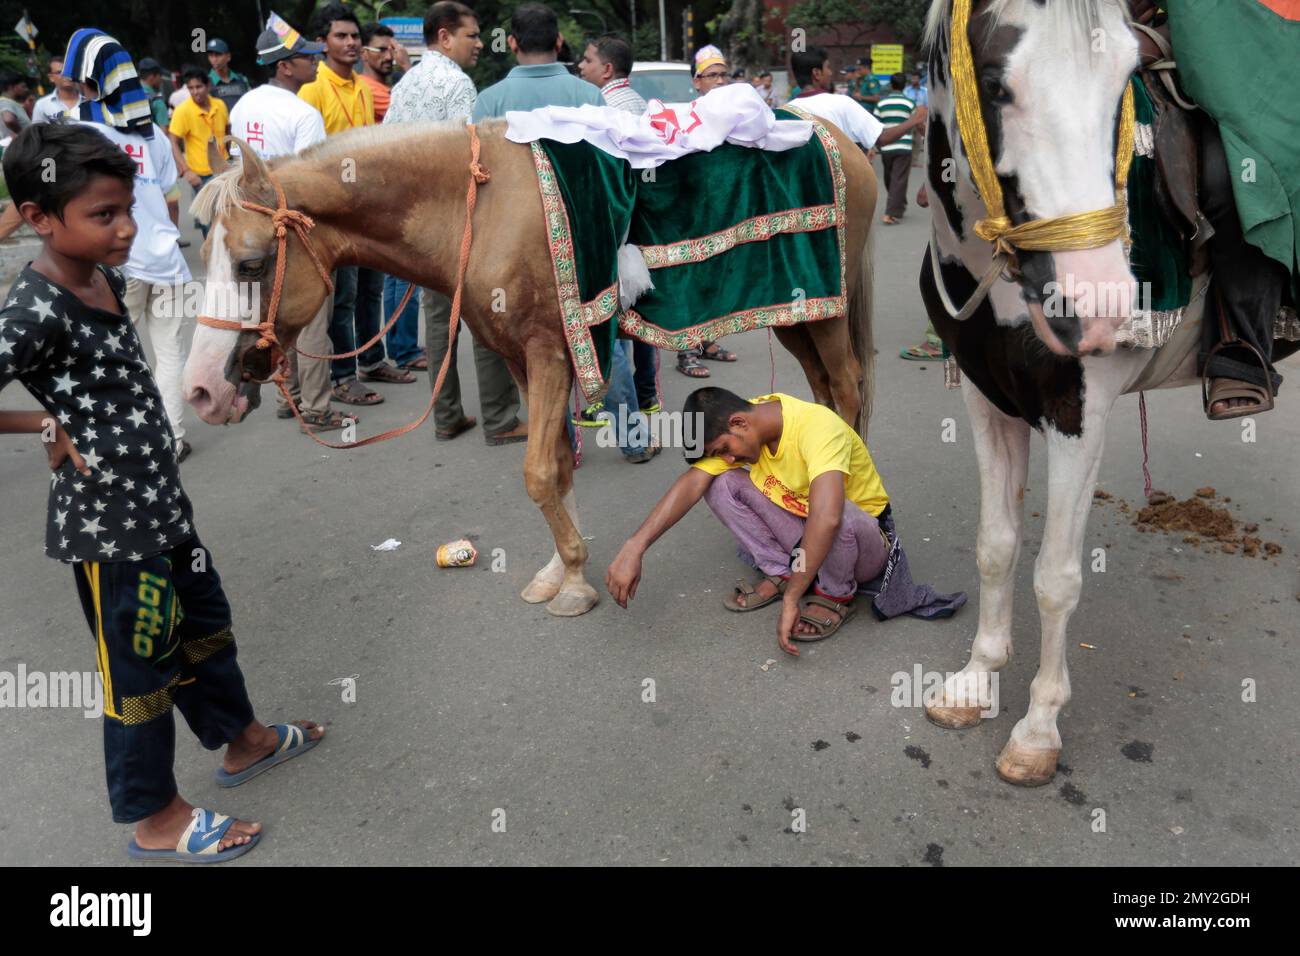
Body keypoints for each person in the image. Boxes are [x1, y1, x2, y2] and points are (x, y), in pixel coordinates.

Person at [0, 121, 324, 862]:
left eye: (128, 210)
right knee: (139, 670)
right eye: (104, 215)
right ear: (39, 219)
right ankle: (157, 818)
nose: (127, 230)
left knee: (205, 624)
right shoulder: (33, 309)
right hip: (111, 532)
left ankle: (242, 742)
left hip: (160, 507)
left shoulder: (103, 279)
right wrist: (40, 421)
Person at [605, 389, 893, 655]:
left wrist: (793, 599)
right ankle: (784, 572)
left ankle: (835, 594)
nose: (729, 458)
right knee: (721, 483)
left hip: (859, 544)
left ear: (739, 423)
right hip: (805, 526)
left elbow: (827, 517)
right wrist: (635, 546)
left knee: (835, 510)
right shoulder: (748, 423)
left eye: (724, 449)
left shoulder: (818, 427)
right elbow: (692, 483)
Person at [386, 1, 534, 444]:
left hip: (420, 227)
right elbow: (472, 161)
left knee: (438, 323)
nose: (478, 44)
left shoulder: (405, 83)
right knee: (488, 317)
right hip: (459, 223)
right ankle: (501, 420)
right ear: (445, 36)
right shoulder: (457, 84)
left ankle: (446, 416)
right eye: (471, 35)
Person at [470, 2, 611, 444]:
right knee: (599, 328)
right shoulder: (588, 96)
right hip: (582, 239)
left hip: (511, 248)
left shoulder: (488, 102)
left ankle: (558, 441)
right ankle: (628, 433)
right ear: (558, 42)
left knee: (531, 342)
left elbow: (478, 181)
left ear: (511, 43)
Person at [64, 28, 195, 462]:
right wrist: (166, 240)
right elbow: (170, 198)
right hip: (166, 259)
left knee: (115, 356)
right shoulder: (154, 134)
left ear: (91, 80)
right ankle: (173, 437)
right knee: (170, 352)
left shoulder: (78, 130)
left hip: (116, 264)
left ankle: (126, 440)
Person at [231, 15, 351, 434]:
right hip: (298, 229)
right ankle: (316, 408)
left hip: (254, 229)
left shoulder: (242, 105)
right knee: (313, 319)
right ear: (285, 65)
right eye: (307, 57)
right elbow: (316, 186)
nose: (316, 63)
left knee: (277, 317)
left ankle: (292, 397)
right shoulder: (303, 113)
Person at [300, 1, 415, 407]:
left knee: (371, 289)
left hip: (368, 209)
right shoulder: (311, 91)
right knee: (343, 297)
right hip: (335, 217)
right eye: (341, 36)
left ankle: (371, 360)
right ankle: (342, 375)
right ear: (321, 43)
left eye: (354, 37)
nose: (350, 43)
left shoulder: (363, 89)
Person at [573, 33, 661, 464]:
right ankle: (642, 411)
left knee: (608, 334)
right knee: (630, 329)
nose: (581, 67)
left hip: (611, 239)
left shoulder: (606, 112)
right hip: (635, 239)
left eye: (587, 61)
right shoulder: (638, 106)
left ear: (607, 69)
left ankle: (632, 435)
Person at [674, 45, 740, 379]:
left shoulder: (736, 113)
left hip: (721, 209)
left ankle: (707, 342)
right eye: (711, 75)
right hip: (691, 211)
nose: (719, 80)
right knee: (691, 279)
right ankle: (686, 351)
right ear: (696, 82)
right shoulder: (688, 116)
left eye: (723, 74)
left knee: (715, 278)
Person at [788, 47, 927, 154]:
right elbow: (882, 138)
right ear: (816, 74)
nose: (830, 73)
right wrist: (914, 120)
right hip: (837, 189)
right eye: (828, 67)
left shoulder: (785, 111)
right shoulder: (841, 103)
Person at [167, 67, 227, 239]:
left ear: (208, 86)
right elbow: (173, 141)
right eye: (191, 88)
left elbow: (229, 132)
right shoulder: (183, 110)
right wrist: (186, 171)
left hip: (224, 172)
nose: (195, 92)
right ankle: (214, 264)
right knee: (208, 227)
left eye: (199, 87)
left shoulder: (219, 105)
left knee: (229, 221)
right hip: (201, 177)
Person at [875, 73, 915, 225]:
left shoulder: (881, 104)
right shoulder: (910, 104)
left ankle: (896, 207)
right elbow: (916, 123)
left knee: (891, 178)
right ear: (904, 86)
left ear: (891, 85)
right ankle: (891, 212)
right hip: (904, 146)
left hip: (886, 147)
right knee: (898, 179)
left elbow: (876, 123)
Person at [357, 22, 397, 122]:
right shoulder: (367, 88)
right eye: (381, 50)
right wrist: (407, 66)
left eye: (392, 50)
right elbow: (413, 114)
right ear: (363, 53)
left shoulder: (382, 87)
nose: (389, 57)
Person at [205, 38, 250, 113]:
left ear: (228, 57)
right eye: (211, 55)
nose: (214, 59)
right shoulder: (206, 83)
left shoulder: (241, 79)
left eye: (218, 55)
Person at [32, 56, 82, 123]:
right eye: (59, 72)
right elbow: (37, 132)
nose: (66, 75)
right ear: (51, 77)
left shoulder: (90, 101)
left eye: (69, 70)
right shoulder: (42, 106)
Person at [135, 57, 171, 128]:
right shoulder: (156, 100)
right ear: (152, 77)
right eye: (160, 76)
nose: (161, 79)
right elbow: (164, 131)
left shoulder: (129, 95)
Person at [0, 71, 32, 136]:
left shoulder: (10, 102)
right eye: (23, 87)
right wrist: (22, 134)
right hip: (19, 144)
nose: (26, 89)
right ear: (11, 87)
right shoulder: (5, 102)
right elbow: (8, 119)